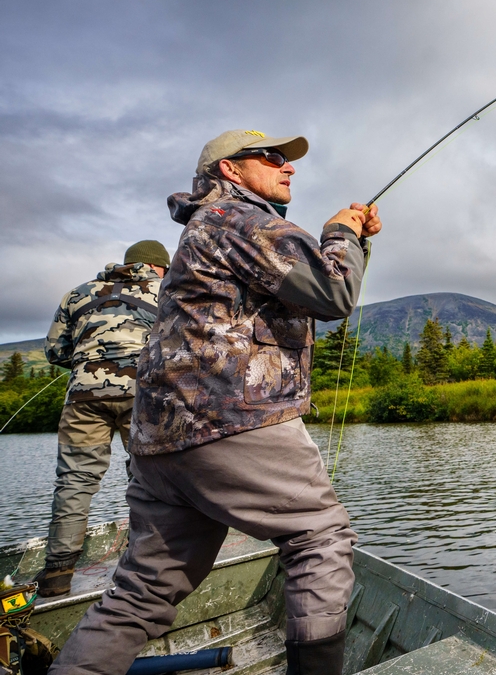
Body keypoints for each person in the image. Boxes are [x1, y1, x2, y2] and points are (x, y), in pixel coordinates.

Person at [50, 130, 382, 675]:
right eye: (271, 158)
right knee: (320, 537)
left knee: (141, 594)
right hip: (229, 418)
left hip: (160, 440)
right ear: (230, 170)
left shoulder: (207, 227)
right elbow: (332, 294)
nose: (287, 168)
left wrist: (352, 243)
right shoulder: (240, 219)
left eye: (288, 160)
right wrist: (341, 232)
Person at [36, 240, 171, 598]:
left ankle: (57, 573)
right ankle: (145, 565)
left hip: (83, 397)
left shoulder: (78, 294)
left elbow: (55, 351)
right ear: (159, 268)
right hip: (144, 396)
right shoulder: (167, 291)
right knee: (147, 480)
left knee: (75, 482)